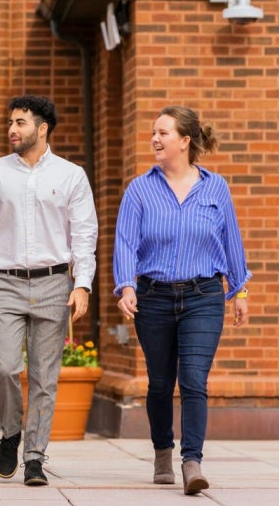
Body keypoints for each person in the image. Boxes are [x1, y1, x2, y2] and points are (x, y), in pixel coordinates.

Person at [0, 95, 98, 487]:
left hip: (55, 283)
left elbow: (84, 235)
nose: (11, 130)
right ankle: (10, 432)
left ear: (42, 128)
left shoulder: (71, 175)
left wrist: (82, 283)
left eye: (20, 123)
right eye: (10, 123)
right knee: (4, 366)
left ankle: (35, 456)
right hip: (4, 280)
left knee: (44, 376)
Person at [113, 105, 250, 496]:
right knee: (159, 383)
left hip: (203, 295)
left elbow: (231, 241)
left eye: (163, 133)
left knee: (193, 380)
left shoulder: (215, 187)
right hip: (153, 297)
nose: (154, 139)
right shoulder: (140, 189)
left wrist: (239, 289)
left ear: (185, 141)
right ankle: (162, 451)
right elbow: (125, 242)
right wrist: (126, 286)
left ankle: (193, 461)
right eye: (153, 133)